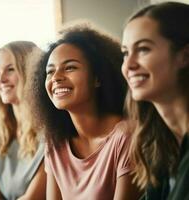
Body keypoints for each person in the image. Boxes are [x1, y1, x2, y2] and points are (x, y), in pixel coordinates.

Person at [30, 23, 141, 200]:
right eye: (50, 72)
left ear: (97, 78)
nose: (56, 77)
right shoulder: (55, 142)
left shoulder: (126, 136)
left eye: (70, 67)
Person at [121, 2, 189, 199]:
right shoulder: (161, 145)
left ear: (184, 56)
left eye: (143, 49)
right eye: (125, 53)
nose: (129, 64)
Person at [0, 41, 46, 200]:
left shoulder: (51, 129)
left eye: (10, 70)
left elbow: (33, 198)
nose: (1, 79)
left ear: (31, 73)